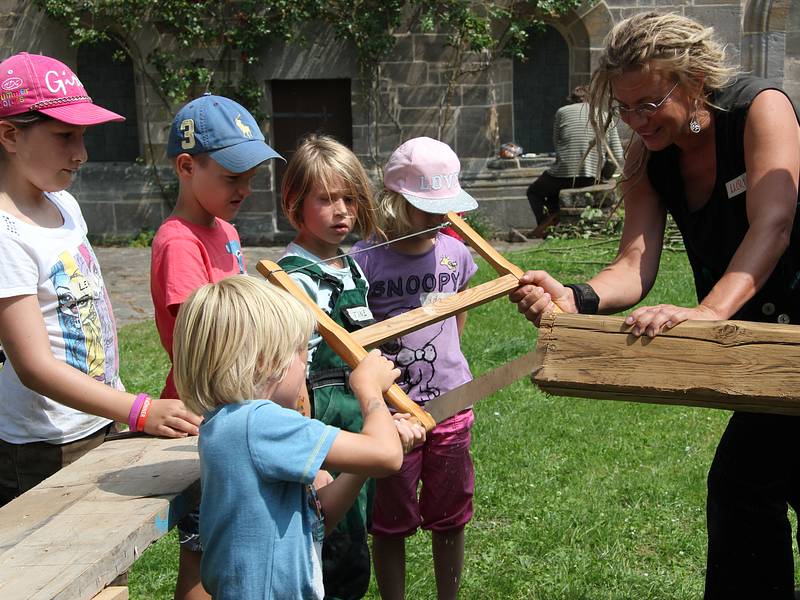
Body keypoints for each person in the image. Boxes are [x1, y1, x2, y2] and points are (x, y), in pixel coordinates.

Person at [510, 12, 800, 599]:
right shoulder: (649, 151)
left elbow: (774, 224)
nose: (635, 120)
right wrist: (578, 297)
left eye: (649, 103)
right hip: (764, 351)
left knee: (746, 485)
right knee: (746, 490)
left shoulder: (760, 109)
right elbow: (633, 264)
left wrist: (710, 313)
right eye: (623, 107)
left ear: (693, 80)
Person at [0, 52, 201, 507]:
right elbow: (33, 366)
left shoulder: (64, 204)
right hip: (45, 446)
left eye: (83, 136)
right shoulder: (5, 235)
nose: (82, 153)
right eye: (65, 136)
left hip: (96, 418)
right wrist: (139, 409)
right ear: (10, 135)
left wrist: (116, 408)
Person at [171, 276, 406, 600]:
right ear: (266, 362)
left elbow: (320, 516)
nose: (305, 363)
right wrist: (369, 390)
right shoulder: (260, 424)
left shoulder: (230, 424)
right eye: (299, 352)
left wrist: (369, 453)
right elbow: (386, 455)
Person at [279, 133, 424, 600]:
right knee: (329, 545)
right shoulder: (293, 279)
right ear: (294, 205)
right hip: (321, 419)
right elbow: (288, 373)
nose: (341, 210)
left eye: (348, 198)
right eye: (325, 200)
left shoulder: (352, 266)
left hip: (358, 411)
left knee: (355, 528)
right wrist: (308, 458)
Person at [150, 93, 283, 600]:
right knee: (204, 555)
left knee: (235, 544)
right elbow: (206, 337)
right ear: (187, 166)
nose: (246, 188)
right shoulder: (179, 240)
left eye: (250, 176)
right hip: (207, 415)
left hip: (239, 405)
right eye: (232, 177)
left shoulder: (224, 230)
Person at [353, 137, 479, 600]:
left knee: (451, 513)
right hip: (392, 414)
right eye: (428, 209)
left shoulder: (455, 253)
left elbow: (458, 311)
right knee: (391, 520)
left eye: (446, 209)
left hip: (451, 403)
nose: (440, 219)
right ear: (395, 201)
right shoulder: (365, 260)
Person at [526, 85, 625, 238]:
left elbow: (558, 145)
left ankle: (544, 224)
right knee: (553, 195)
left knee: (534, 191)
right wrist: (604, 175)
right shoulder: (605, 116)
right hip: (591, 176)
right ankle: (552, 223)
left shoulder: (562, 112)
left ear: (571, 101)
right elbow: (617, 155)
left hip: (562, 175)